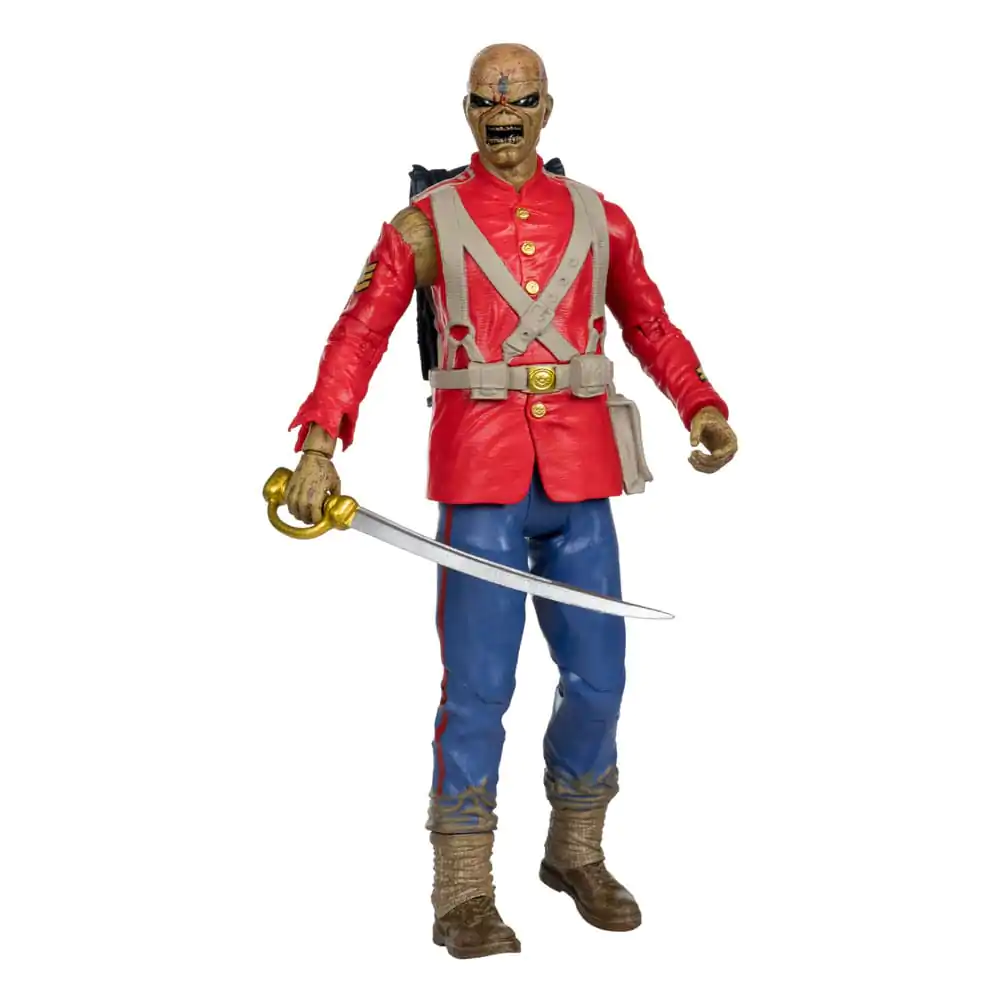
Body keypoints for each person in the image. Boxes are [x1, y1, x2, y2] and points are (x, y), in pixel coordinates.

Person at [283, 42, 738, 959]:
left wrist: (701, 403)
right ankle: (462, 888)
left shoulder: (600, 218)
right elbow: (359, 331)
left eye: (521, 102)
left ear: (545, 110)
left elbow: (648, 322)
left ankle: (576, 849)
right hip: (480, 477)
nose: (505, 116)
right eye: (489, 102)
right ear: (468, 110)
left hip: (581, 479)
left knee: (601, 678)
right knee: (479, 687)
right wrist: (320, 444)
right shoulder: (424, 225)